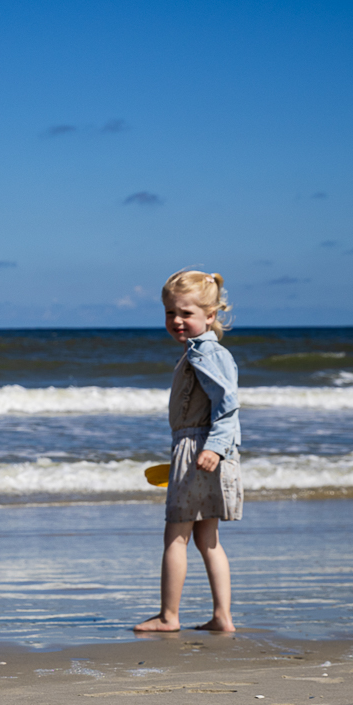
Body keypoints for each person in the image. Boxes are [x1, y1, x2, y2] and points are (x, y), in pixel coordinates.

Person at [135, 270, 243, 633]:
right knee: (206, 538)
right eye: (170, 313)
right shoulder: (199, 352)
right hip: (202, 448)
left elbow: (228, 405)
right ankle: (222, 617)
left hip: (201, 450)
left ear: (210, 315)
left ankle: (169, 616)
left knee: (176, 536)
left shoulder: (206, 354)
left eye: (186, 313)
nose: (177, 321)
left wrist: (212, 447)